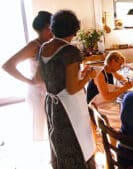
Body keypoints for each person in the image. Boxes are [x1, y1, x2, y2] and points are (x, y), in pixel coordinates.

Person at [34, 10, 97, 168]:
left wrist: (76, 76)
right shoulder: (70, 51)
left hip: (51, 102)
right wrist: (87, 77)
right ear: (74, 30)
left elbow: (40, 78)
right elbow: (72, 88)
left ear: (53, 27)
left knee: (58, 142)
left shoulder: (44, 48)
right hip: (67, 106)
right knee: (76, 142)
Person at [2, 11, 52, 141]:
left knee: (50, 128)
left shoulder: (49, 44)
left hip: (48, 91)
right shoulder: (34, 45)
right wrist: (29, 81)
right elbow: (8, 66)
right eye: (52, 26)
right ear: (47, 27)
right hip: (37, 93)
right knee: (41, 129)